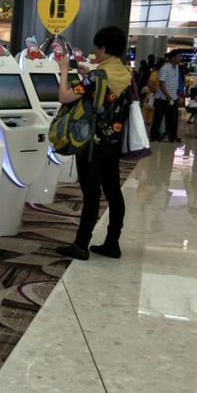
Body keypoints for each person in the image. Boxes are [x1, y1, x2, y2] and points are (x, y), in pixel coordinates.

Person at [56, 26, 132, 260]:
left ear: (104, 48)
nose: (95, 52)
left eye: (97, 48)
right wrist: (86, 73)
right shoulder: (128, 75)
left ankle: (81, 245)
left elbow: (65, 97)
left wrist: (64, 71)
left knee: (91, 194)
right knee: (112, 192)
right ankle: (112, 243)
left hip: (90, 143)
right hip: (113, 143)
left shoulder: (97, 76)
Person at [151, 52, 182, 143]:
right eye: (179, 56)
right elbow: (161, 83)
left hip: (173, 97)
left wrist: (176, 95)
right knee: (158, 118)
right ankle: (154, 136)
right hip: (163, 98)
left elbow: (174, 82)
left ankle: (172, 136)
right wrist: (168, 96)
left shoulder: (176, 67)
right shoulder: (164, 68)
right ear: (173, 58)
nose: (180, 58)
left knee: (173, 118)